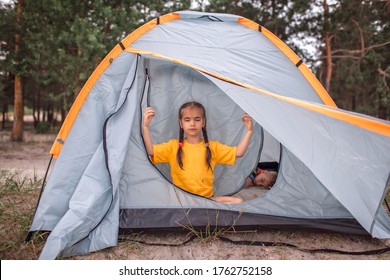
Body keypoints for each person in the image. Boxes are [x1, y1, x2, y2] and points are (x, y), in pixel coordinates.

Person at [142, 101, 253, 204]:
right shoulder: (173, 146)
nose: (192, 124)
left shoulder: (212, 147)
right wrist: (145, 127)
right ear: (181, 123)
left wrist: (249, 131)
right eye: (187, 120)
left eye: (197, 119)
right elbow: (150, 151)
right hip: (182, 201)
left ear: (203, 122)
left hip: (206, 200)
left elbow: (238, 152)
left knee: (238, 202)